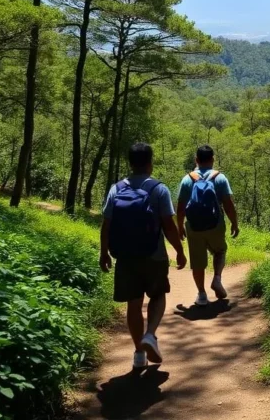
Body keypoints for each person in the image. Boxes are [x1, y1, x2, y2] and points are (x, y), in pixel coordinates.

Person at [100, 142, 187, 369]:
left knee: (134, 303)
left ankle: (139, 353)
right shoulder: (159, 189)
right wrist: (179, 251)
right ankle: (150, 334)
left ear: (130, 163)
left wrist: (104, 253)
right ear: (150, 163)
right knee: (158, 295)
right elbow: (168, 225)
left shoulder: (116, 189)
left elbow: (106, 225)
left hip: (125, 257)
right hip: (154, 255)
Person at [177, 144, 239, 306]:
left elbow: (181, 206)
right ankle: (217, 278)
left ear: (196, 160)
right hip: (215, 225)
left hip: (193, 226)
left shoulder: (187, 179)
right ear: (212, 159)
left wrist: (179, 227)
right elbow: (228, 204)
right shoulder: (219, 178)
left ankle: (202, 295)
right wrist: (234, 223)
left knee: (197, 261)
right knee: (220, 250)